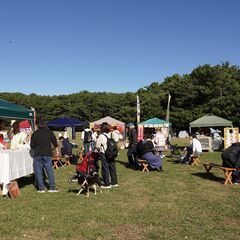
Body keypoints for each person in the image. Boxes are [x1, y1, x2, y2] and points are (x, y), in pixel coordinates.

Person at [30, 122, 59, 193]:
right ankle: (52, 188)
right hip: (47, 153)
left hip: (37, 154)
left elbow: (32, 145)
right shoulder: (49, 132)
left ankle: (41, 188)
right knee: (49, 171)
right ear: (45, 126)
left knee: (38, 172)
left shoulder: (35, 133)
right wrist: (55, 148)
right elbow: (55, 142)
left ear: (38, 126)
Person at [96, 122, 118, 188]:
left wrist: (98, 150)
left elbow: (97, 146)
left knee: (105, 168)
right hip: (112, 153)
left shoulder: (101, 136)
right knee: (112, 167)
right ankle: (114, 182)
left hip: (104, 153)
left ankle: (107, 183)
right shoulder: (110, 134)